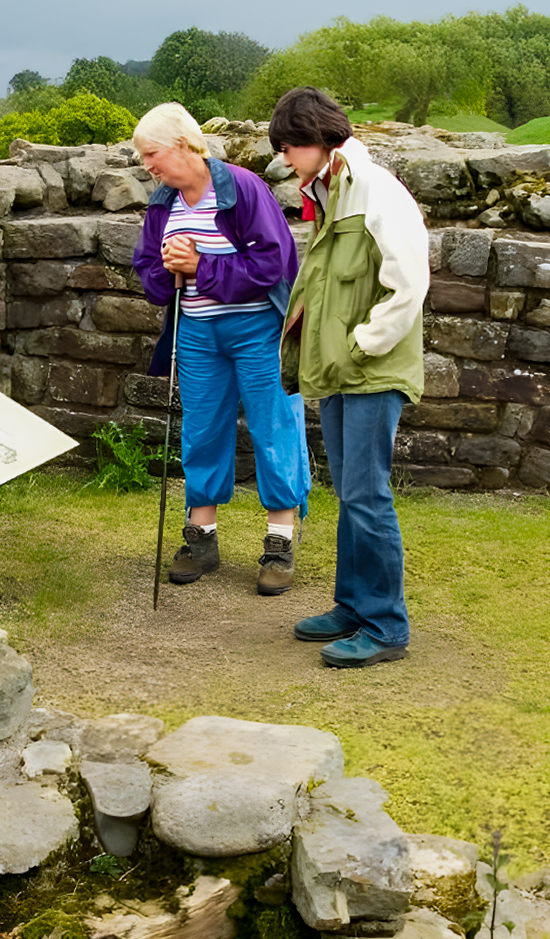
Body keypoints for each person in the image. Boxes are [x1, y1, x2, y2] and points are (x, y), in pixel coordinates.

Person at [269, 87, 429, 668]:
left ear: (317, 138)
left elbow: (409, 284)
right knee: (351, 492)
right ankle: (353, 606)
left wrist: (361, 346)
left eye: (289, 146)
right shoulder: (333, 190)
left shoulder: (377, 191)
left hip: (369, 369)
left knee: (367, 494)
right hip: (341, 369)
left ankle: (386, 627)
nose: (285, 159)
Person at [132, 102, 310, 595]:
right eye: (144, 157)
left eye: (153, 154)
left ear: (186, 145)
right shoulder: (162, 203)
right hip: (197, 333)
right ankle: (201, 538)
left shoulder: (243, 188)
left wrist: (199, 267)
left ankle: (280, 542)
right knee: (202, 429)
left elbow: (271, 266)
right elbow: (146, 267)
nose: (148, 165)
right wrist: (166, 273)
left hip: (257, 330)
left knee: (273, 426)